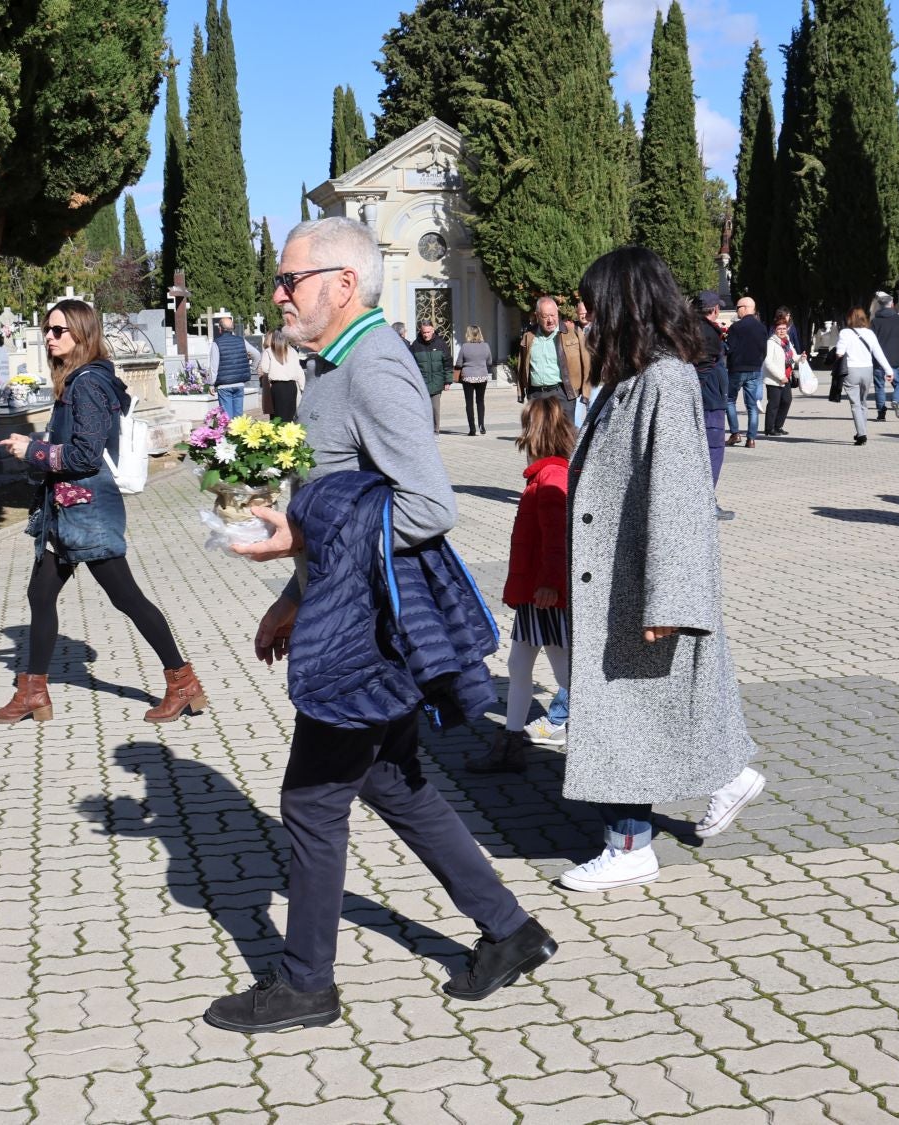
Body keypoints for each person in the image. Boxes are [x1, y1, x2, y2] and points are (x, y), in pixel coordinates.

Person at [213, 216, 553, 1033]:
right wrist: (294, 595)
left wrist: (305, 537)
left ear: (343, 284)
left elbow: (427, 506)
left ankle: (305, 983)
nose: (279, 293)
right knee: (393, 781)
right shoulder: (333, 365)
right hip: (343, 613)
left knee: (311, 802)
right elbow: (348, 506)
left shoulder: (372, 367)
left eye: (290, 280)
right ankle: (510, 929)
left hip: (363, 638)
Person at [558, 245, 765, 894]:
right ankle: (726, 773)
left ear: (624, 304)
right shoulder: (634, 376)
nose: (583, 316)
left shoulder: (665, 381)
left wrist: (671, 599)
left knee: (628, 716)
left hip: (641, 586)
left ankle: (628, 845)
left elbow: (680, 493)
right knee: (642, 710)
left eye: (592, 303)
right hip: (621, 578)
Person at [0, 299, 206, 725]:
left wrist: (30, 449)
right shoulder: (76, 381)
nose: (49, 338)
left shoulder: (86, 383)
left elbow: (86, 455)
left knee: (127, 598)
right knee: (41, 594)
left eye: (58, 331)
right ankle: (33, 691)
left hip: (86, 511)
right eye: (47, 330)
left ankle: (183, 683)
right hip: (65, 510)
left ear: (82, 335)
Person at [468, 397, 574, 773]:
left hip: (545, 595)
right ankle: (511, 743)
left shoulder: (551, 478)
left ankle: (605, 740)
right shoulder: (545, 475)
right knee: (518, 664)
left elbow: (558, 538)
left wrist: (549, 583)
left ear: (536, 432)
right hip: (536, 593)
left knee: (565, 673)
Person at [694, 292, 734, 519]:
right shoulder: (707, 333)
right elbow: (703, 367)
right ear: (715, 310)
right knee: (713, 451)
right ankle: (707, 502)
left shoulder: (687, 329)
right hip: (709, 403)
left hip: (704, 400)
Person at [515, 296, 588, 403]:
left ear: (557, 313)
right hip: (536, 395)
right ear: (537, 316)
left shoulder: (573, 332)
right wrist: (520, 392)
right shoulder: (528, 336)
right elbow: (521, 366)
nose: (550, 320)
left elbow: (587, 363)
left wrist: (586, 393)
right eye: (545, 316)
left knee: (564, 421)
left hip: (563, 394)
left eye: (553, 315)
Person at [834, 308, 889, 447]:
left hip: (851, 370)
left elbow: (839, 353)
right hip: (867, 370)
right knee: (863, 402)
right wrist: (889, 370)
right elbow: (878, 353)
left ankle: (862, 434)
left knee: (855, 404)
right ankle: (861, 431)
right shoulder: (870, 333)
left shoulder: (845, 333)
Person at [723, 296, 769, 448]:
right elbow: (764, 351)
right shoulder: (762, 328)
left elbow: (729, 348)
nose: (737, 311)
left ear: (744, 308)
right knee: (752, 405)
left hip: (737, 369)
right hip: (754, 369)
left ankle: (735, 433)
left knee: (729, 400)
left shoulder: (736, 328)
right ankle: (751, 439)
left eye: (737, 308)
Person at [869, 292, 899, 419]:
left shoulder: (875, 321)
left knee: (879, 386)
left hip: (878, 360)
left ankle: (881, 413)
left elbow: (871, 341)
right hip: (895, 359)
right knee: (898, 384)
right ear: (892, 304)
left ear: (880, 306)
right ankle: (896, 401)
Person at [410, 319, 454, 434]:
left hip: (436, 382)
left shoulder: (441, 344)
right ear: (421, 331)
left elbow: (448, 362)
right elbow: (410, 365)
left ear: (433, 330)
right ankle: (424, 431)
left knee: (435, 409)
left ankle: (435, 431)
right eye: (424, 332)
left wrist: (448, 381)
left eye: (428, 332)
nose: (426, 335)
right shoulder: (415, 345)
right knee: (422, 409)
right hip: (422, 383)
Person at [762, 308, 798, 437]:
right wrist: (780, 376)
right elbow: (768, 363)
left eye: (784, 328)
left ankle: (779, 426)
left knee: (786, 401)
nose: (782, 331)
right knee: (774, 403)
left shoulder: (787, 342)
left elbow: (792, 356)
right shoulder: (771, 342)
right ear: (775, 330)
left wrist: (801, 358)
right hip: (774, 379)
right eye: (779, 329)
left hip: (786, 377)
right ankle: (769, 428)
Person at [255, 329, 304, 422]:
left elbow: (264, 368)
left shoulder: (269, 351)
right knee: (290, 415)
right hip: (292, 386)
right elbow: (298, 369)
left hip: (278, 387)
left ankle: (278, 434)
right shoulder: (293, 351)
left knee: (277, 416)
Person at [212, 314, 251, 421]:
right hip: (239, 383)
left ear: (220, 329)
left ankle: (229, 437)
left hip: (224, 385)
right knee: (238, 420)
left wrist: (211, 384)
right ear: (232, 328)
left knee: (227, 419)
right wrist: (255, 366)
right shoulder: (241, 340)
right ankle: (238, 436)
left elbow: (214, 366)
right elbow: (256, 354)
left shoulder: (217, 343)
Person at [456, 325, 493, 436]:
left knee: (469, 403)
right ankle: (481, 425)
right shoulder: (486, 346)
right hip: (482, 376)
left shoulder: (465, 347)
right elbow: (490, 361)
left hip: (468, 377)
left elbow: (459, 363)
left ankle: (472, 429)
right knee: (480, 401)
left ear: (468, 334)